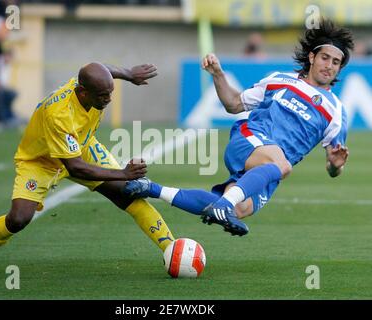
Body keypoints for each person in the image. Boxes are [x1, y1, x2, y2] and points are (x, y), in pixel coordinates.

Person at [124, 19, 353, 237]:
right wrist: (218, 75)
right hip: (250, 140)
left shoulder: (336, 111)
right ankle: (224, 204)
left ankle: (151, 188)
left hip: (267, 171)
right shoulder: (280, 80)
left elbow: (333, 168)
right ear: (312, 57)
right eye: (325, 58)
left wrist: (335, 165)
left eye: (336, 62)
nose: (329, 66)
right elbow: (234, 104)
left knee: (239, 209)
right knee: (278, 167)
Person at [0, 62, 175, 274]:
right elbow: (75, 167)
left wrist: (128, 74)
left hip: (82, 145)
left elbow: (105, 69)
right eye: (102, 95)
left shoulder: (90, 85)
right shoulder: (59, 114)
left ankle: (172, 249)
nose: (108, 99)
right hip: (40, 161)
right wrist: (122, 173)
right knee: (18, 219)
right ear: (82, 93)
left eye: (110, 93)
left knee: (128, 192)